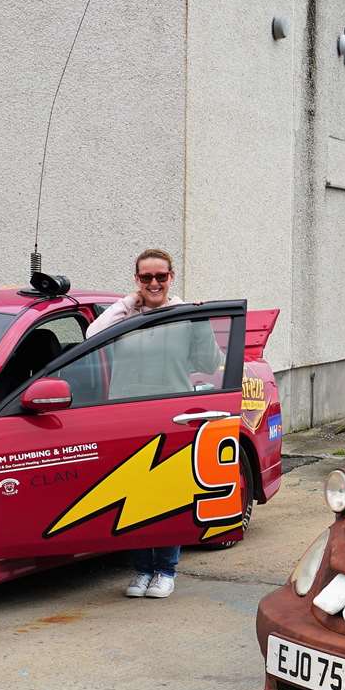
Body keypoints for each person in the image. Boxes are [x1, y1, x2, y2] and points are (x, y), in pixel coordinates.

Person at [88, 249, 220, 600]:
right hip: (126, 417)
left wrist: (200, 321)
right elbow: (92, 335)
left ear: (171, 276)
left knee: (165, 495)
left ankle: (165, 570)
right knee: (131, 494)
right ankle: (142, 569)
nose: (154, 284)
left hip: (170, 417)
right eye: (146, 278)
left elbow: (210, 362)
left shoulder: (183, 315)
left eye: (160, 276)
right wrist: (127, 304)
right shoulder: (124, 318)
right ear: (136, 280)